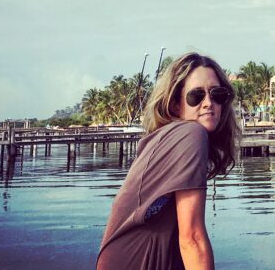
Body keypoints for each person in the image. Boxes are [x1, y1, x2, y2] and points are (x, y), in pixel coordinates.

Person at [97, 53, 238, 270]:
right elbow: (192, 239)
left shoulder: (165, 138)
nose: (208, 103)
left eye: (217, 94)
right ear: (174, 105)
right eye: (196, 96)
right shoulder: (191, 134)